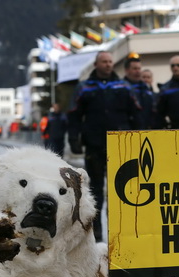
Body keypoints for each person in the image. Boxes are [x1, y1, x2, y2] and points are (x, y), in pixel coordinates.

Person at [67, 50, 140, 241]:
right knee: (95, 190)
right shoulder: (84, 87)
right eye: (104, 61)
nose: (108, 64)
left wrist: (139, 137)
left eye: (110, 61)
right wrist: (73, 139)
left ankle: (123, 230)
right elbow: (74, 115)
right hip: (94, 144)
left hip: (121, 144)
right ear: (97, 64)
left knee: (123, 189)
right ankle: (97, 232)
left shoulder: (124, 86)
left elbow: (137, 113)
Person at [124, 56, 156, 129]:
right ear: (127, 70)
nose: (138, 71)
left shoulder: (146, 90)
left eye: (139, 68)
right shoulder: (122, 88)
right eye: (135, 69)